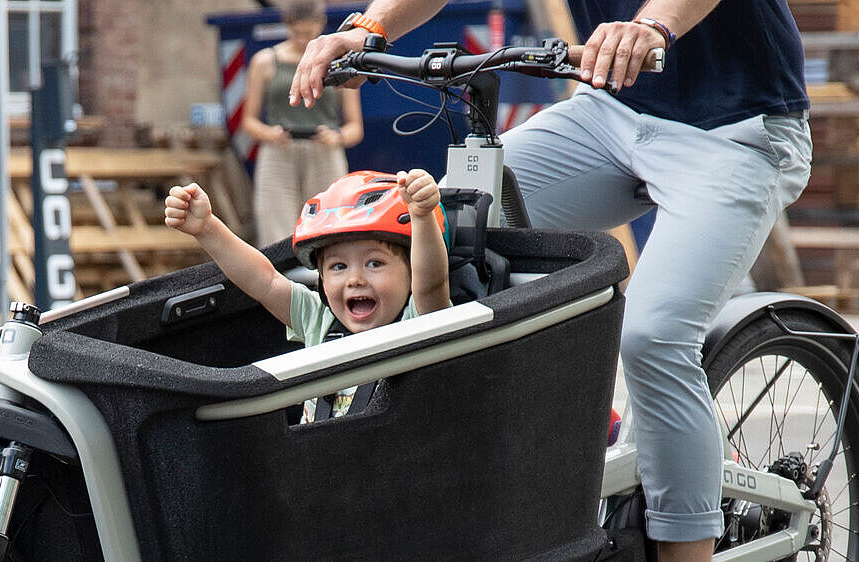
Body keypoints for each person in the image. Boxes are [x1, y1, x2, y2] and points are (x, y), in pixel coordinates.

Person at [288, 2, 812, 560]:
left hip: (737, 126)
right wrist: (371, 28)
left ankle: (686, 548)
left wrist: (652, 24)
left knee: (653, 336)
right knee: (439, 235)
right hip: (609, 110)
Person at [165, 169, 449, 422]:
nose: (355, 279)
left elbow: (432, 282)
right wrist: (207, 229)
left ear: (411, 271)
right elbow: (263, 279)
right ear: (322, 280)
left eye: (374, 263)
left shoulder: (419, 321)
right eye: (338, 266)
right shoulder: (318, 320)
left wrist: (422, 216)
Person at [242, 0, 364, 247]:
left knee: (330, 227)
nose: (303, 39)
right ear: (286, 26)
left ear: (320, 25)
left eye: (308, 32)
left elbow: (355, 128)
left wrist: (336, 137)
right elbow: (248, 121)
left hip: (324, 151)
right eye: (297, 32)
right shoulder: (265, 61)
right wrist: (269, 133)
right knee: (275, 230)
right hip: (279, 152)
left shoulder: (338, 63)